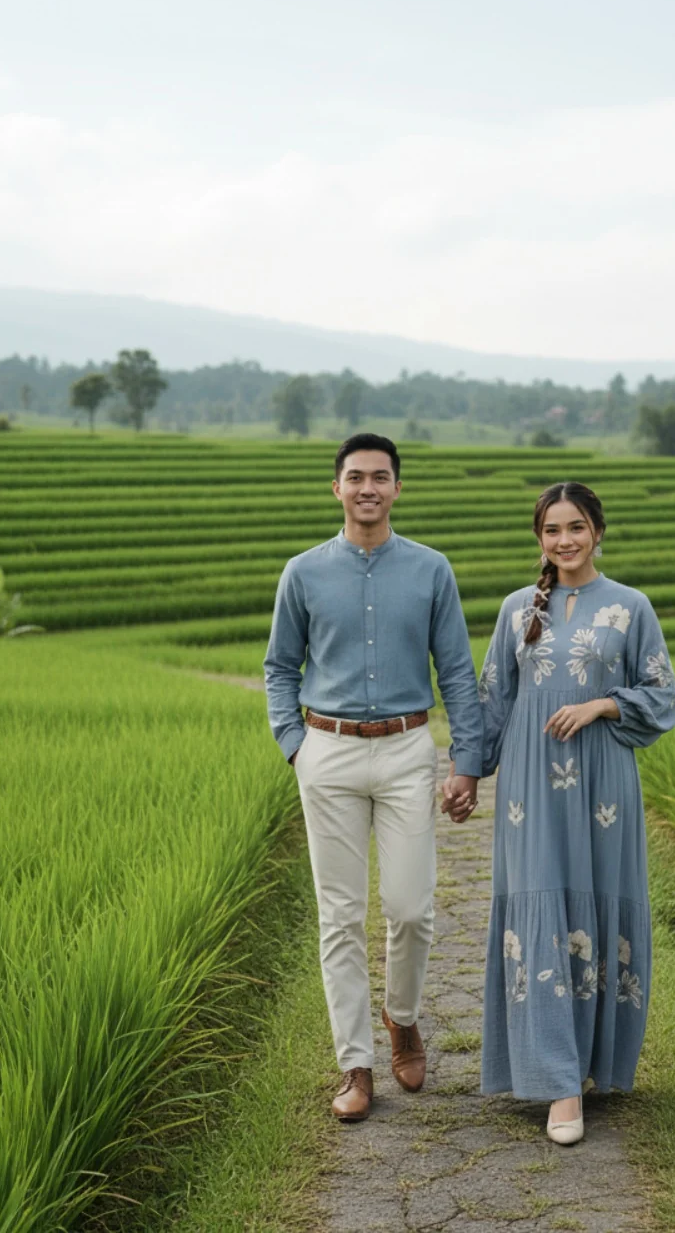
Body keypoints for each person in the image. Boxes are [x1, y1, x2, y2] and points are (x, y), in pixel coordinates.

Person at [263, 433, 482, 1123]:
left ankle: (404, 1017)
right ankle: (355, 1065)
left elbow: (455, 670)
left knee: (411, 907)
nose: (367, 488)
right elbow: (279, 668)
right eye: (355, 477)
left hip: (405, 748)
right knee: (341, 915)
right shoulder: (302, 572)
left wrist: (466, 759)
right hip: (325, 751)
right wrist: (294, 744)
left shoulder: (430, 570)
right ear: (336, 488)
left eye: (379, 477)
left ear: (396, 487)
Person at [469, 481, 675, 1145]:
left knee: (597, 905)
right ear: (540, 538)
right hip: (531, 789)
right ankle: (558, 1084)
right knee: (539, 907)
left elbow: (661, 695)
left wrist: (602, 705)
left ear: (598, 532)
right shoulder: (514, 611)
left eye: (577, 527)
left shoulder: (630, 607)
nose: (565, 540)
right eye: (553, 529)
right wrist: (465, 775)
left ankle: (592, 1067)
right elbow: (492, 702)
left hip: (605, 786)